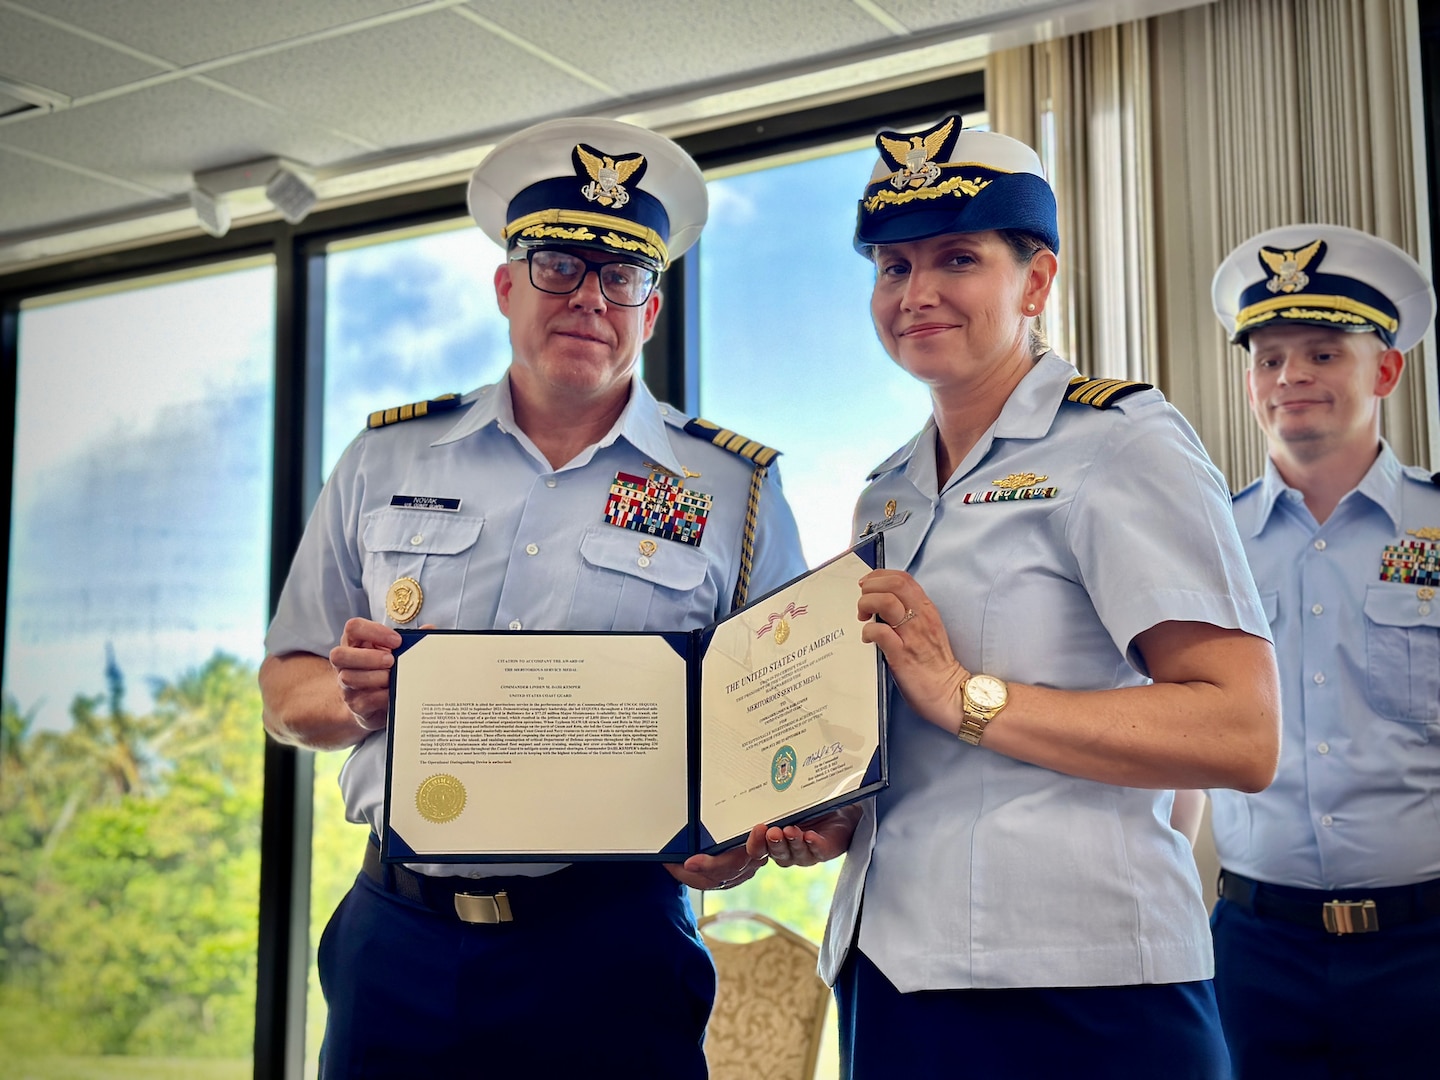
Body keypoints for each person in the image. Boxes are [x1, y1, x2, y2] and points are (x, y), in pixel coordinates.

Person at [259, 116, 807, 1077]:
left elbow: (774, 717)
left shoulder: (732, 490)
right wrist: (355, 696)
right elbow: (285, 685)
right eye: (557, 264)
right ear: (506, 286)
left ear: (652, 310)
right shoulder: (384, 458)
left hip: (612, 943)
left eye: (621, 277)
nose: (588, 299)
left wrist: (735, 836)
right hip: (399, 940)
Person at [752, 114, 1281, 1078]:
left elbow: (1238, 732)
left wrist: (967, 696)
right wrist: (833, 808)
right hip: (893, 972)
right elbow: (911, 735)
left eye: (956, 257)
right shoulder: (888, 489)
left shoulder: (1123, 442)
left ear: (1035, 282)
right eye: (892, 266)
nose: (917, 293)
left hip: (1082, 987)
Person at [1207, 223, 1440, 1077]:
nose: (1290, 377)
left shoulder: (1437, 528)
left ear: (1384, 370)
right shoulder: (1207, 545)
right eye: (1268, 359)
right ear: (1249, 385)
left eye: (1321, 352)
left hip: (1428, 947)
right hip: (1257, 954)